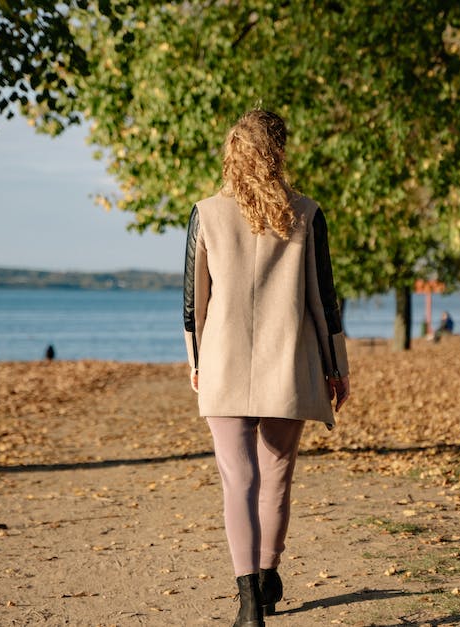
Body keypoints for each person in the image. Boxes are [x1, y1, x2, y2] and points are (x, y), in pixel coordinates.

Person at [183, 109, 350, 626]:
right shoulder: (306, 213)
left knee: (239, 480)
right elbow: (324, 299)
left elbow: (194, 302)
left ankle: (249, 605)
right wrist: (335, 365)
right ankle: (268, 571)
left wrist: (195, 362)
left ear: (233, 153)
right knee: (276, 476)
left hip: (223, 361)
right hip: (290, 362)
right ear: (279, 152)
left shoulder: (205, 213)